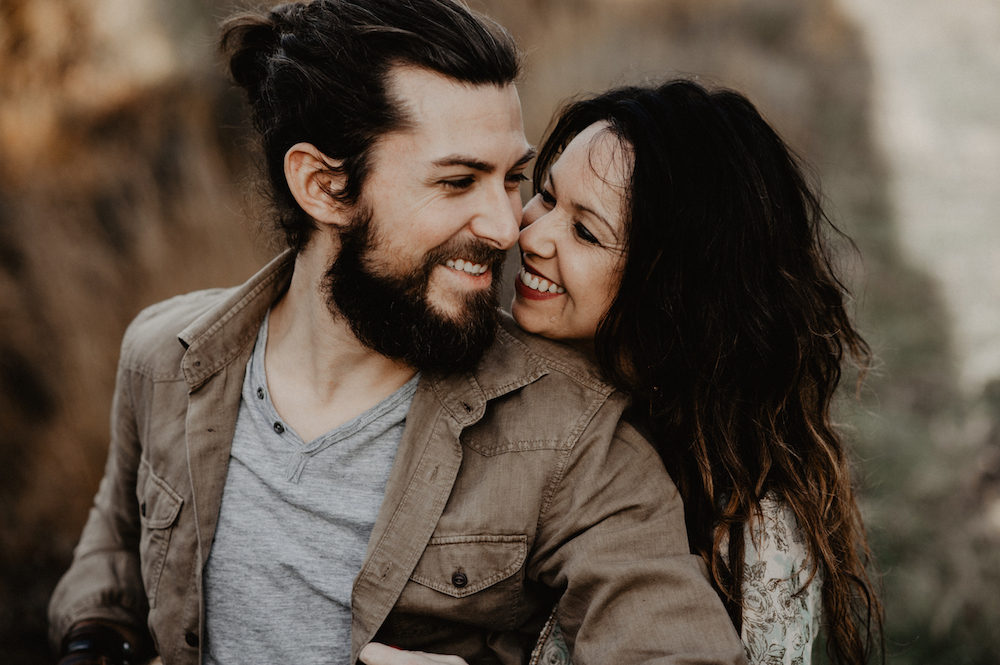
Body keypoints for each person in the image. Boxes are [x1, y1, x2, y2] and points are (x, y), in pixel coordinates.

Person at [47, 3, 746, 665]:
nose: (510, 227)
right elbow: (116, 533)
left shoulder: (574, 434)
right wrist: (96, 632)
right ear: (323, 187)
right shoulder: (162, 356)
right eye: (457, 182)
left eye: (512, 177)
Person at [510, 81, 884, 665]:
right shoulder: (493, 377)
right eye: (546, 196)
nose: (529, 235)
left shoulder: (751, 541)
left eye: (585, 231)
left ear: (671, 292)